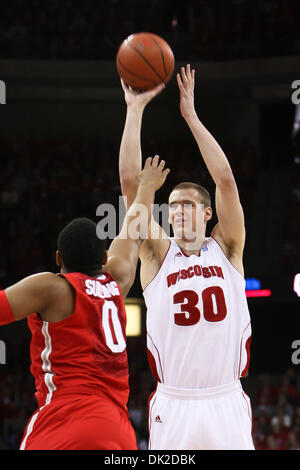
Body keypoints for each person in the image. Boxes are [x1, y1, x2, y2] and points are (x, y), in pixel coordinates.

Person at [119, 64, 255, 450]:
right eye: (171, 206)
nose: (176, 211)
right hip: (174, 402)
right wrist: (134, 109)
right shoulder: (159, 255)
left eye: (186, 205)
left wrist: (191, 117)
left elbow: (225, 179)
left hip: (227, 397)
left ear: (207, 213)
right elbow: (131, 186)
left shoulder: (227, 247)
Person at [0, 157, 169, 450]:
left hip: (63, 420)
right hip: (117, 429)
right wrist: (148, 187)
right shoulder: (118, 279)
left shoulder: (50, 288)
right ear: (104, 258)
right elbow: (134, 226)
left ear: (57, 259)